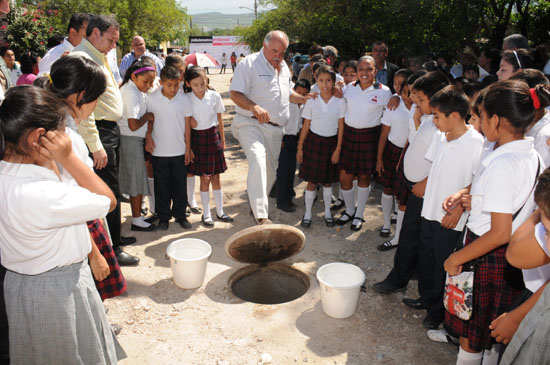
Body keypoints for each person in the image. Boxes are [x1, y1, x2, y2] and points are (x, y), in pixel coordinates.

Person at [0, 86, 124, 364]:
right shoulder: (41, 195)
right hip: (56, 291)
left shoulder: (12, 174)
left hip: (22, 286)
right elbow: (108, 201)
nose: (66, 138)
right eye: (62, 132)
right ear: (38, 139)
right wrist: (67, 157)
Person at [443, 80, 543, 364]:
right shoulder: (530, 154)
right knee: (490, 336)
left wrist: (456, 258)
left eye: (483, 116)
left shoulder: (502, 164)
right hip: (506, 258)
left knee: (472, 338)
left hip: (486, 255)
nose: (480, 122)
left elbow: (499, 232)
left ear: (496, 120)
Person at [414, 85, 484, 331]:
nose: (433, 121)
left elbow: (477, 182)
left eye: (436, 116)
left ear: (454, 116)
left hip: (451, 219)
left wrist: (459, 211)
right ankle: (426, 299)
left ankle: (438, 314)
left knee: (443, 265)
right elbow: (435, 167)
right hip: (430, 211)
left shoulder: (476, 143)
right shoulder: (441, 137)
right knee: (427, 260)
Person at [372, 71, 450, 293]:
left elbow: (444, 159)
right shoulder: (426, 118)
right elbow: (416, 144)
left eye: (420, 98)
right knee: (412, 235)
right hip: (414, 185)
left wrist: (425, 182)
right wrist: (416, 119)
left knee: (411, 237)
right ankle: (410, 272)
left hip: (425, 191)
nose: (414, 100)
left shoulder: (441, 124)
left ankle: (398, 279)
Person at [72, 14, 139, 266]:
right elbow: (82, 106)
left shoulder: (98, 55)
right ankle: (112, 248)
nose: (114, 45)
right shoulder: (83, 59)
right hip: (98, 132)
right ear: (95, 33)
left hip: (109, 130)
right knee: (106, 192)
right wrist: (96, 145)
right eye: (111, 39)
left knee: (113, 189)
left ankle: (116, 237)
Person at [229, 30, 309, 225]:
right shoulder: (248, 64)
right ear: (263, 46)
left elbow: (287, 94)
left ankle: (256, 203)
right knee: (257, 159)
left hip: (275, 131)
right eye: (274, 51)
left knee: (270, 172)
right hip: (250, 123)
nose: (278, 56)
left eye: (282, 53)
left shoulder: (283, 67)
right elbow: (235, 93)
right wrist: (253, 107)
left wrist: (307, 99)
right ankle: (262, 216)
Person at [337, 55, 392, 231]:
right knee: (344, 176)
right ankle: (350, 210)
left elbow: (389, 116)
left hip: (370, 136)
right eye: (361, 69)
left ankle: (359, 214)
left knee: (364, 177)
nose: (365, 72)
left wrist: (397, 97)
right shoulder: (348, 89)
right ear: (357, 71)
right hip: (349, 135)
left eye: (369, 69)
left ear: (376, 71)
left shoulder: (385, 92)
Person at [297, 65, 345, 227]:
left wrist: (338, 149)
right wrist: (300, 147)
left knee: (327, 182)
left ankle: (327, 212)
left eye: (328, 80)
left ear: (334, 82)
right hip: (314, 142)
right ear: (316, 81)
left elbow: (341, 127)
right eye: (321, 80)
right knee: (311, 182)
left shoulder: (340, 101)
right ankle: (308, 213)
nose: (325, 84)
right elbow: (305, 125)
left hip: (331, 144)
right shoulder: (312, 100)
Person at [184, 66, 232, 226]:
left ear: (207, 82)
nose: (200, 88)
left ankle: (220, 211)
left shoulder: (214, 96)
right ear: (188, 84)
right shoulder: (186, 99)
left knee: (216, 177)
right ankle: (206, 213)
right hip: (197, 139)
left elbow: (219, 120)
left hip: (213, 137)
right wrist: (188, 147)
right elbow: (186, 125)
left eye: (202, 84)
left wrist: (222, 141)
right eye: (196, 85)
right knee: (204, 178)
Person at [145, 65, 192, 231]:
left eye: (176, 85)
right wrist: (148, 138)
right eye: (169, 85)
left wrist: (188, 148)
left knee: (180, 185)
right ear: (161, 82)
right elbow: (149, 121)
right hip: (159, 151)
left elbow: (187, 126)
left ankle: (180, 215)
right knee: (162, 186)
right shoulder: (151, 99)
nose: (173, 89)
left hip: (179, 150)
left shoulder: (184, 100)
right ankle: (163, 217)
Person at [118, 59, 157, 232]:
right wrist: (147, 117)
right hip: (130, 139)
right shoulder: (131, 92)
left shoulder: (136, 89)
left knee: (137, 178)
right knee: (135, 180)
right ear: (134, 76)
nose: (148, 85)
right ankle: (136, 219)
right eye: (145, 81)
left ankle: (137, 216)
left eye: (151, 82)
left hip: (135, 139)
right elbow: (133, 124)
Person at [376, 69, 413, 242]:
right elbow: (383, 135)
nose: (401, 92)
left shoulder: (420, 110)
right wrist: (379, 159)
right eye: (397, 85)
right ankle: (385, 223)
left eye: (406, 90)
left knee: (402, 193)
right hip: (392, 150)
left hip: (409, 153)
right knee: (388, 187)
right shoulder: (393, 106)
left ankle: (399, 224)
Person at [276, 79, 311, 212]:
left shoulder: (303, 106)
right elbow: (279, 121)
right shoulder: (286, 104)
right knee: (283, 170)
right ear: (293, 91)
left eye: (304, 93)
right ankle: (283, 201)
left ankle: (286, 192)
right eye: (298, 92)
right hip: (284, 139)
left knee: (291, 169)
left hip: (295, 139)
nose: (300, 95)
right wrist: (280, 139)